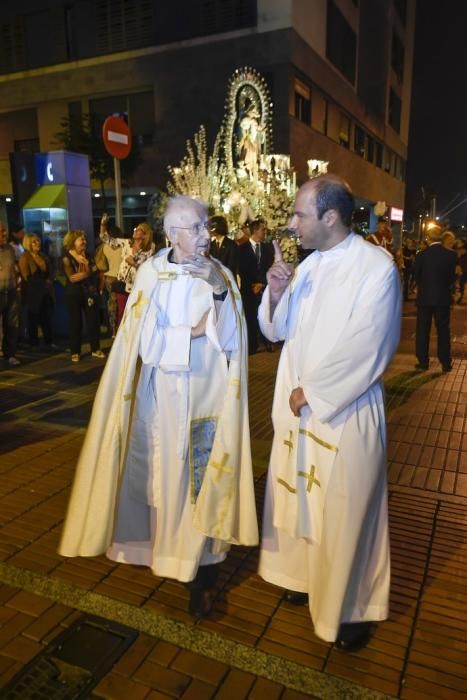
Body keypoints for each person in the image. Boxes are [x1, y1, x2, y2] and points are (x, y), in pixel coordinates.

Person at [59, 195, 258, 618]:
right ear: (172, 233)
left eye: (207, 226)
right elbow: (143, 343)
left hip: (207, 396)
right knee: (170, 486)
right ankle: (173, 560)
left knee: (202, 484)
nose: (206, 235)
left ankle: (204, 578)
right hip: (162, 401)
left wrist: (220, 295)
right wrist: (191, 334)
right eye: (196, 228)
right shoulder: (151, 274)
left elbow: (237, 339)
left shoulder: (220, 273)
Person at [257, 175, 401, 651]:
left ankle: (353, 607)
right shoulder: (309, 267)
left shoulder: (376, 268)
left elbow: (369, 344)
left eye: (300, 215)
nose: (292, 223)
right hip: (299, 413)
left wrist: (312, 392)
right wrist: (277, 292)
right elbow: (279, 332)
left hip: (344, 412)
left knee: (345, 511)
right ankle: (300, 576)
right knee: (298, 499)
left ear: (330, 216)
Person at [99, 216, 154, 330]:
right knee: (123, 313)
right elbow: (106, 239)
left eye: (138, 230)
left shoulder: (149, 249)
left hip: (138, 286)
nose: (135, 231)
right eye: (135, 229)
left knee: (136, 314)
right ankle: (121, 341)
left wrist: (133, 263)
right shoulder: (126, 243)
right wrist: (103, 225)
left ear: (145, 234)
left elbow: (148, 269)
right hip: (122, 285)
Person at [414, 225, 457, 372]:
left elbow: (416, 276)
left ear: (428, 238)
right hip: (443, 298)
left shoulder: (421, 255)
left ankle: (423, 361)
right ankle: (445, 363)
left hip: (425, 298)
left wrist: (424, 286)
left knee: (422, 330)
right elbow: (452, 277)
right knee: (443, 331)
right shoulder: (451, 255)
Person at [62, 230, 105, 363]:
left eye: (85, 239)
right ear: (73, 242)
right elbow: (72, 278)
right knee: (76, 322)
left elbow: (96, 269)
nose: (84, 242)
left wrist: (88, 272)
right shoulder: (66, 257)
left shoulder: (89, 256)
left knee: (93, 320)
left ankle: (95, 348)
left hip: (89, 292)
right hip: (73, 293)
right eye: (81, 239)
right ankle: (75, 351)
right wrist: (88, 272)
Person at [238, 219, 274, 354]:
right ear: (255, 231)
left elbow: (270, 268)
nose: (264, 232)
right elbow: (241, 270)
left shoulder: (267, 248)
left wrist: (262, 284)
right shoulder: (241, 248)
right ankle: (252, 345)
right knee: (250, 317)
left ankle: (268, 341)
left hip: (264, 288)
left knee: (266, 315)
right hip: (248, 289)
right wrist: (252, 285)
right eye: (263, 229)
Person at [18, 234, 55, 349]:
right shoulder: (25, 257)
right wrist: (43, 282)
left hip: (45, 292)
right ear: (28, 243)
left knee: (46, 317)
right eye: (34, 242)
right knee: (33, 319)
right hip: (33, 293)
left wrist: (49, 280)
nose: (37, 243)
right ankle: (33, 342)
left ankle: (49, 341)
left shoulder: (43, 256)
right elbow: (26, 277)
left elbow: (51, 271)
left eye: (38, 241)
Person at [0, 222, 20, 366]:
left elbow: (14, 268)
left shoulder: (10, 250)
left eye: (4, 231)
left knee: (12, 324)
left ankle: (10, 354)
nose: (4, 234)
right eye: (1, 232)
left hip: (11, 291)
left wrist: (18, 287)